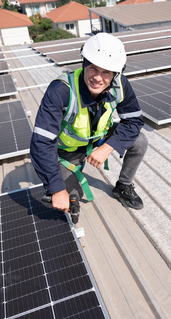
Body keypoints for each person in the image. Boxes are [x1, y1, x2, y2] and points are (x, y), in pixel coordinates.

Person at [30, 33, 148, 212]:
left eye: (106, 72)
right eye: (93, 68)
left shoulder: (120, 85)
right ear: (84, 64)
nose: (98, 78)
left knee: (140, 141)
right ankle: (70, 179)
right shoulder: (61, 90)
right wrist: (56, 189)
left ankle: (123, 185)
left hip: (97, 140)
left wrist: (107, 147)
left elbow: (134, 122)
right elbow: (42, 143)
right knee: (73, 196)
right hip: (66, 150)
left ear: (115, 73)